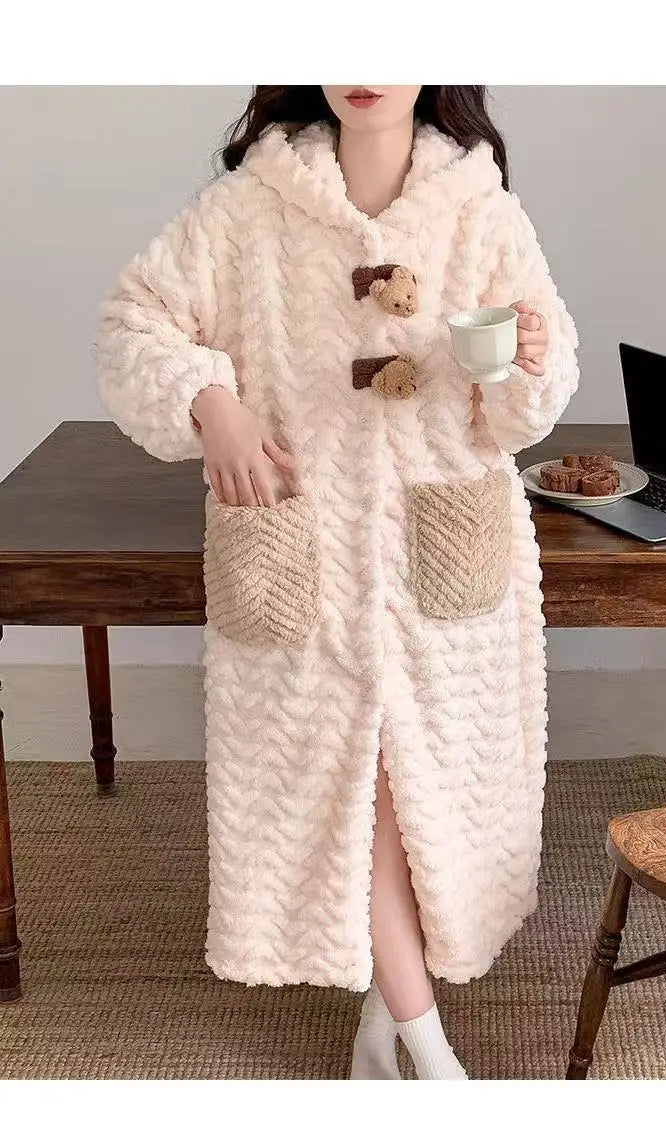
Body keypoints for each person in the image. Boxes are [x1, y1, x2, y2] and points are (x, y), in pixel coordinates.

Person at [96, 85, 579, 1080]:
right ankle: (434, 1058)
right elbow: (132, 325)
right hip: (301, 558)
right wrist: (212, 402)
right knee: (341, 801)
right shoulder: (247, 208)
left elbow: (524, 417)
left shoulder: (481, 209)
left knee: (407, 807)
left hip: (442, 560)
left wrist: (528, 362)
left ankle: (378, 1030)